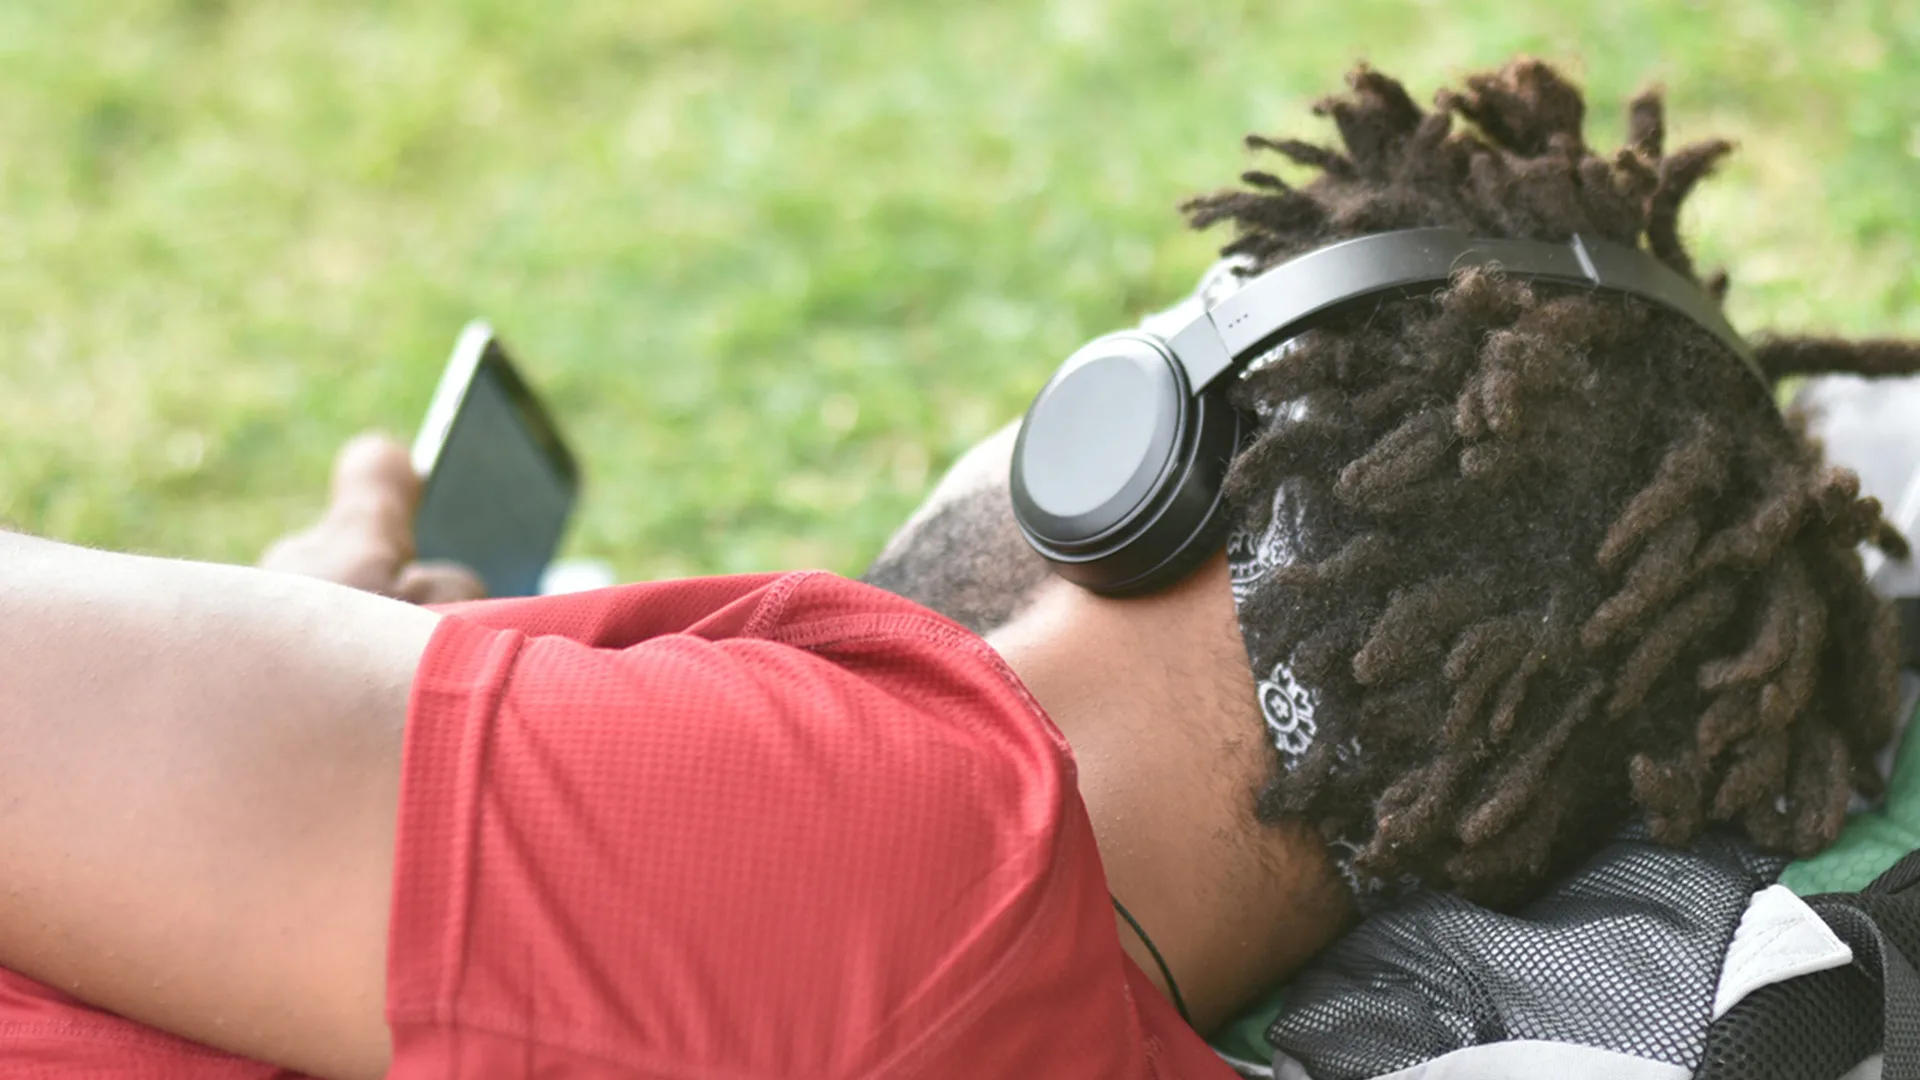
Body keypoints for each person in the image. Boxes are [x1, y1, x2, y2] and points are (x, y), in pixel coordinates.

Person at [1, 58, 1916, 1080]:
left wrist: (288, 672)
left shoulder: (904, 849)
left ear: (1153, 441)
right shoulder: (1034, 987)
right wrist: (325, 678)